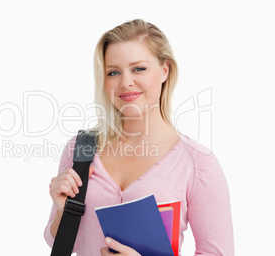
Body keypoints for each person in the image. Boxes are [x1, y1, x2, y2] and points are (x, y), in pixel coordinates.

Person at [44, 19, 234, 256]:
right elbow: (58, 244)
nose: (125, 83)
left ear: (165, 70)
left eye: (139, 69)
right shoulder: (80, 149)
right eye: (113, 72)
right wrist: (64, 211)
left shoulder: (197, 163)